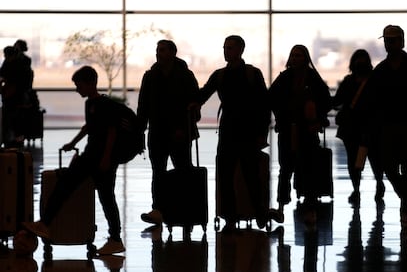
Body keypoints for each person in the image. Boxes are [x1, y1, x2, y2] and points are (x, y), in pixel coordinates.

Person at [22, 65, 125, 255]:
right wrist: (73, 142)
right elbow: (89, 127)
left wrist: (106, 158)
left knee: (102, 196)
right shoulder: (90, 104)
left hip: (100, 158)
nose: (77, 89)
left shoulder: (105, 105)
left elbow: (112, 132)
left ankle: (115, 238)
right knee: (75, 186)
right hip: (91, 155)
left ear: (91, 83)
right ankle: (114, 239)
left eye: (79, 85)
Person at [198, 35, 271, 231]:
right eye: (225, 48)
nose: (226, 51)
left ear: (240, 50)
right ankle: (253, 214)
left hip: (239, 131)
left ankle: (242, 215)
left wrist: (261, 133)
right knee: (234, 175)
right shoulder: (245, 74)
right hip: (235, 131)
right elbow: (201, 95)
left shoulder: (244, 74)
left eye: (229, 48)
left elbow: (264, 106)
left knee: (244, 174)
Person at [137, 39, 200, 227]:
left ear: (173, 52)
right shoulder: (150, 76)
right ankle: (158, 209)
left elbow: (194, 103)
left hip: (179, 133)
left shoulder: (185, 76)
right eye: (157, 50)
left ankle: (184, 208)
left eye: (162, 50)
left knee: (182, 171)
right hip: (158, 133)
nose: (158, 53)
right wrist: (140, 132)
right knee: (159, 172)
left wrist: (184, 126)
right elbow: (143, 106)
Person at [268, 44, 331, 223]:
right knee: (286, 169)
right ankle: (283, 206)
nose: (295, 59)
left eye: (299, 56)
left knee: (305, 170)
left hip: (304, 130)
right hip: (291, 130)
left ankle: (306, 207)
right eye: (293, 55)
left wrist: (317, 118)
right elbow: (270, 98)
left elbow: (326, 100)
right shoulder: (289, 77)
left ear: (305, 58)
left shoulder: (307, 77)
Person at [359, 25, 407, 229]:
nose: (390, 44)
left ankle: (405, 210)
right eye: (388, 40)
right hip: (390, 126)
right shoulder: (382, 70)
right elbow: (370, 102)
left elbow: (369, 102)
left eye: (393, 40)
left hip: (406, 126)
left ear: (401, 41)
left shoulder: (398, 68)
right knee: (390, 169)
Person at [334, 49, 385, 204]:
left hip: (353, 128)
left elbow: (336, 101)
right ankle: (377, 183)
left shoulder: (349, 81)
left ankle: (357, 189)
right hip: (368, 128)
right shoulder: (375, 81)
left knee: (354, 162)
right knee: (374, 160)